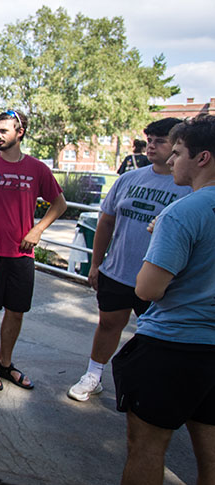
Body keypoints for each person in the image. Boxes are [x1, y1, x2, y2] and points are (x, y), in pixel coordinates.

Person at [63, 115, 215, 485]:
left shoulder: (183, 213)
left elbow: (149, 288)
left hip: (173, 345)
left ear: (201, 158)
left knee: (148, 449)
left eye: (180, 152)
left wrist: (160, 239)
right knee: (211, 460)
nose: (173, 158)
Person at [67, 118, 189, 401]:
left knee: (156, 337)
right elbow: (105, 223)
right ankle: (93, 374)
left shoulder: (187, 185)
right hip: (118, 272)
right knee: (108, 324)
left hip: (162, 280)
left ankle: (153, 389)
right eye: (149, 140)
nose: (152, 146)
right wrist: (96, 264)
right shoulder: (128, 179)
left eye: (160, 140)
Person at [0, 110, 66, 391]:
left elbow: (59, 204)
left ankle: (6, 364)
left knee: (16, 311)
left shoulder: (37, 168)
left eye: (4, 131)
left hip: (21, 255)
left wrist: (38, 229)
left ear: (20, 133)